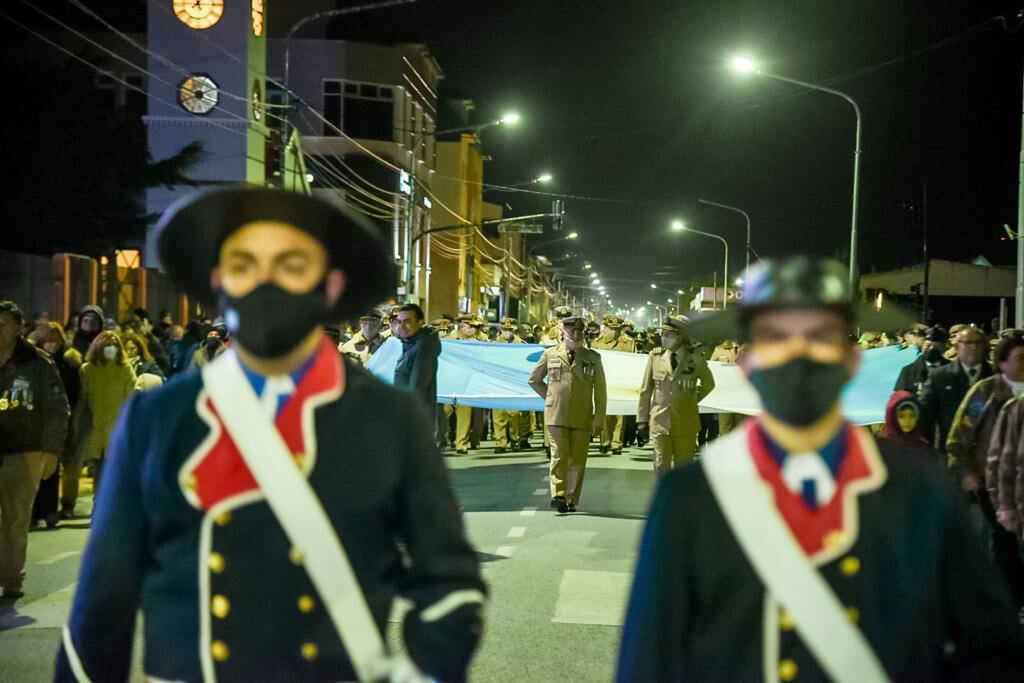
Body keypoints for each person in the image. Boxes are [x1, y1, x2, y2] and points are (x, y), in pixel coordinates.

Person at [56, 186, 485, 682]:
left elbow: (450, 584)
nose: (264, 282)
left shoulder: (389, 419)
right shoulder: (157, 418)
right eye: (243, 265)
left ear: (330, 285)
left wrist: (420, 674)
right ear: (219, 281)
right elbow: (103, 599)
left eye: (291, 265)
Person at [617, 257, 1024, 681]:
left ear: (850, 361)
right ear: (747, 364)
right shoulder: (692, 496)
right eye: (776, 339)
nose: (799, 357)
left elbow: (993, 653)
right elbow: (650, 661)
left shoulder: (922, 490)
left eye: (819, 337)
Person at [948, 331, 1024, 608]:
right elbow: (958, 439)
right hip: (992, 485)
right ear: (1002, 363)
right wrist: (967, 474)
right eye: (1019, 358)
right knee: (1003, 547)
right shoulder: (985, 393)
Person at [0, 301, 68, 601]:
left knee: (15, 520)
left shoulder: (38, 364)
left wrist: (51, 452)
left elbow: (56, 411)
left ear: (17, 328)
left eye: (2, 324)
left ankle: (11, 578)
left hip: (23, 452)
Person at [529, 317, 607, 513]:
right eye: (571, 331)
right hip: (556, 413)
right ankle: (559, 494)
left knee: (577, 459)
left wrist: (599, 418)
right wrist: (550, 396)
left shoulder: (592, 358)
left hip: (582, 415)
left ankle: (571, 498)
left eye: (579, 332)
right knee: (558, 455)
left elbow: (600, 392)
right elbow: (534, 379)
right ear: (563, 332)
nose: (575, 334)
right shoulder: (550, 354)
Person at [636, 316, 715, 476]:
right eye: (663, 333)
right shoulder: (655, 357)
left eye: (668, 334)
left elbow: (709, 384)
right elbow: (646, 390)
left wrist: (691, 399)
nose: (663, 337)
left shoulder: (695, 359)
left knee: (683, 469)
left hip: (686, 423)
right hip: (660, 421)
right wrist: (642, 421)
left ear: (681, 336)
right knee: (660, 466)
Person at [32, 323, 80, 528]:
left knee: (52, 469)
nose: (52, 344)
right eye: (48, 340)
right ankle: (34, 512)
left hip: (58, 420)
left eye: (55, 340)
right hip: (34, 421)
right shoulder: (33, 363)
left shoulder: (68, 364)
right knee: (34, 470)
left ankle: (50, 510)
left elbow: (74, 394)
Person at [78, 331, 137, 498]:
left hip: (117, 429)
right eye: (107, 346)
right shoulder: (88, 370)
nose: (111, 349)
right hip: (95, 429)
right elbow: (83, 400)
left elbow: (132, 396)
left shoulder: (125, 369)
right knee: (99, 471)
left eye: (114, 346)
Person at [919, 325, 993, 453]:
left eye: (978, 343)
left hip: (988, 452)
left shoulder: (995, 375)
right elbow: (925, 414)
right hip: (951, 451)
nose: (974, 347)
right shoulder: (940, 376)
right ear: (957, 347)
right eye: (968, 343)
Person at [593, 316, 637, 455]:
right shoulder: (598, 343)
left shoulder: (629, 343)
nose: (614, 331)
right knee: (605, 412)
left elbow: (634, 361)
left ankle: (616, 443)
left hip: (622, 381)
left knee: (620, 415)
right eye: (611, 328)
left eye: (617, 329)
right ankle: (605, 442)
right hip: (604, 381)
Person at [393, 303, 442, 419]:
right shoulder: (410, 344)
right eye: (399, 322)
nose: (402, 326)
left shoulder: (423, 348)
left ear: (420, 322)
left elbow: (418, 387)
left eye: (407, 321)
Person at [450, 315, 484, 454]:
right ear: (463, 326)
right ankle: (444, 438)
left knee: (464, 413)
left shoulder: (476, 342)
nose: (474, 330)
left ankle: (461, 443)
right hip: (449, 381)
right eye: (472, 327)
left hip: (468, 381)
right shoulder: (448, 340)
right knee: (444, 413)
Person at [491, 317, 526, 454]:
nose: (507, 332)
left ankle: (514, 438)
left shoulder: (521, 344)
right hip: (498, 381)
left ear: (515, 329)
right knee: (498, 414)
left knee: (514, 413)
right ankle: (501, 442)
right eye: (505, 329)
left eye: (509, 329)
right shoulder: (493, 344)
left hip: (514, 382)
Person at [893, 326, 949, 397]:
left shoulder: (954, 370)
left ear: (944, 348)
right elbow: (898, 399)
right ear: (922, 347)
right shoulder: (908, 371)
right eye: (928, 345)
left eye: (936, 346)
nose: (932, 349)